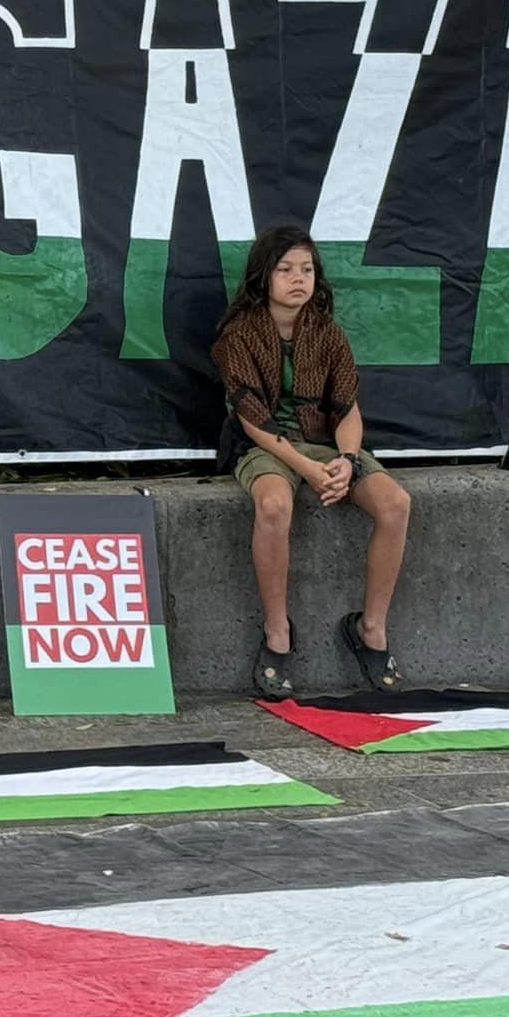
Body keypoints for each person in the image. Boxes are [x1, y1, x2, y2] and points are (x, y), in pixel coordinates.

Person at [210, 226, 412, 700]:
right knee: (275, 506)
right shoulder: (237, 335)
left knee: (396, 504)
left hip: (325, 445)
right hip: (265, 448)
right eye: (285, 269)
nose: (298, 279)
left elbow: (346, 407)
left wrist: (344, 460)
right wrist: (304, 467)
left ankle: (371, 630)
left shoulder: (327, 333)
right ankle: (278, 634)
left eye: (306, 269)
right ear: (265, 277)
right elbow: (253, 420)